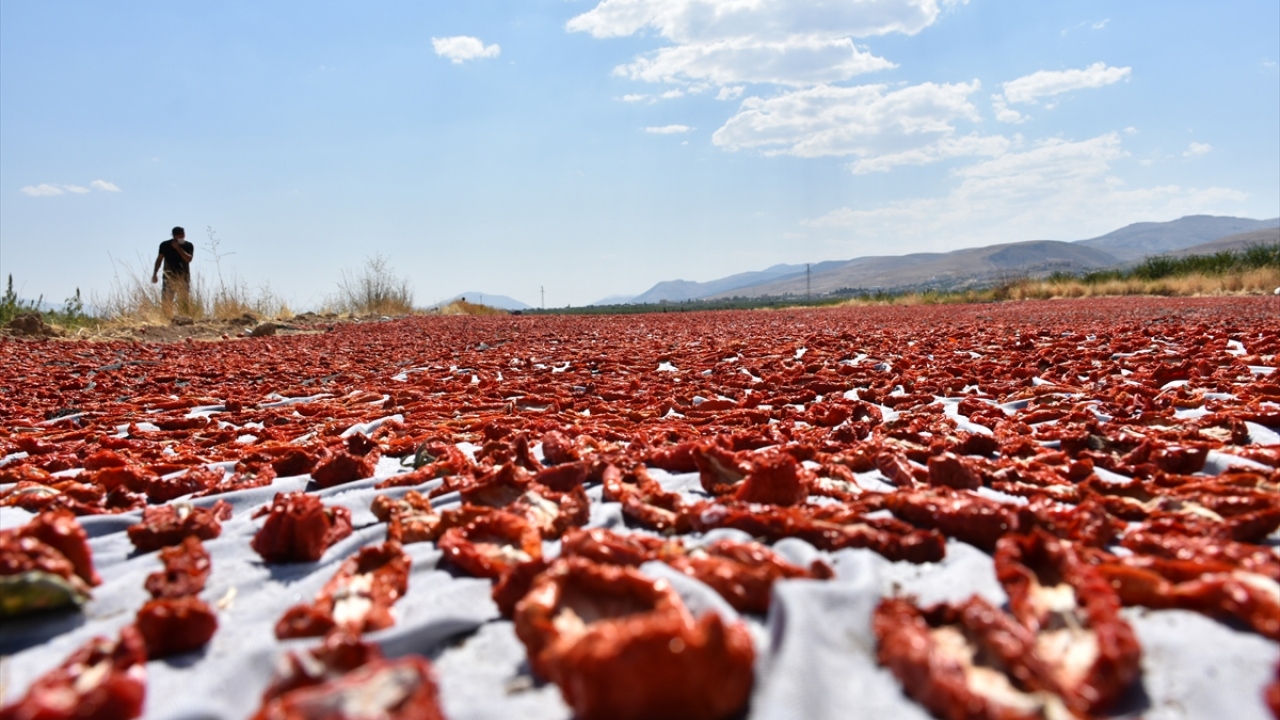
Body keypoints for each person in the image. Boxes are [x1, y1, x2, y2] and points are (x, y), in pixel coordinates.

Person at [151, 226, 194, 306]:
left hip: (183, 277)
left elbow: (189, 259)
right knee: (167, 301)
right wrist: (155, 274)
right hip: (169, 277)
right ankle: (166, 317)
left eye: (182, 234)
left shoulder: (188, 245)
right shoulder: (165, 245)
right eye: (178, 234)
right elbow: (159, 259)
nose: (181, 236)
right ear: (174, 235)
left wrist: (178, 248)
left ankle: (184, 318)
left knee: (184, 302)